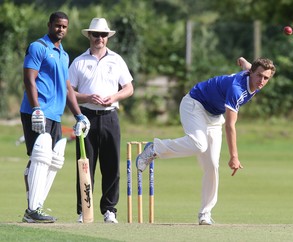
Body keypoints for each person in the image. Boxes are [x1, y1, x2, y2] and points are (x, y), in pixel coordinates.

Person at [136, 57, 276, 225]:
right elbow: (230, 126)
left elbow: (248, 66)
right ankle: (155, 148)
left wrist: (242, 61)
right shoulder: (237, 89)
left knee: (212, 165)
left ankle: (205, 213)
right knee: (199, 144)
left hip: (214, 116)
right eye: (259, 75)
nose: (261, 81)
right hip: (195, 104)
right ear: (251, 73)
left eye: (266, 78)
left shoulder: (253, 76)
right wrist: (234, 157)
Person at [20, 11, 90, 223]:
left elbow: (68, 88)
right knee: (40, 158)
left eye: (64, 27)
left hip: (56, 116)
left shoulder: (64, 55)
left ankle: (35, 206)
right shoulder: (38, 47)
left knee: (52, 161)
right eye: (57, 25)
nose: (61, 29)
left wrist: (79, 115)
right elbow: (29, 79)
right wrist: (36, 109)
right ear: (50, 24)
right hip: (37, 112)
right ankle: (32, 210)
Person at [69, 17, 134, 223]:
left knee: (111, 165)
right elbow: (68, 91)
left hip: (110, 117)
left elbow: (129, 88)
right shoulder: (79, 61)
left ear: (108, 37)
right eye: (96, 34)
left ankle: (109, 210)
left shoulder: (116, 59)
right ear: (89, 35)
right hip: (86, 117)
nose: (99, 38)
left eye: (103, 35)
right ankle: (84, 211)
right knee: (84, 164)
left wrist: (113, 97)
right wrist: (88, 97)